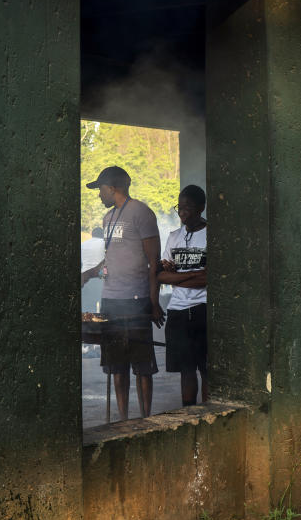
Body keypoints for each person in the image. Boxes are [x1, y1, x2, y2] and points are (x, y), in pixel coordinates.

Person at [82, 165, 164, 419]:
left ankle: (145, 417)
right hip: (111, 301)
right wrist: (88, 273)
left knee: (142, 366)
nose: (99, 196)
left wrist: (153, 301)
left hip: (136, 300)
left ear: (112, 188)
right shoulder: (107, 219)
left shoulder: (141, 213)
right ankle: (123, 419)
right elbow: (111, 260)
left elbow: (155, 260)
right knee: (117, 367)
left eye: (100, 190)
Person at [158, 185, 208, 406]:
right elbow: (161, 276)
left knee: (207, 369)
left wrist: (177, 276)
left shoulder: (212, 235)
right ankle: (189, 414)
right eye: (180, 206)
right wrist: (195, 275)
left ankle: (209, 415)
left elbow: (210, 279)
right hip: (177, 310)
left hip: (203, 308)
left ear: (201, 208)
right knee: (186, 371)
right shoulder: (174, 237)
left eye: (188, 206)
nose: (182, 211)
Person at [80, 227, 104, 313]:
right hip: (99, 280)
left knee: (87, 308)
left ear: (92, 235)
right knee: (102, 306)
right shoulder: (104, 244)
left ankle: (88, 325)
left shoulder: (82, 244)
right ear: (103, 235)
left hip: (85, 279)